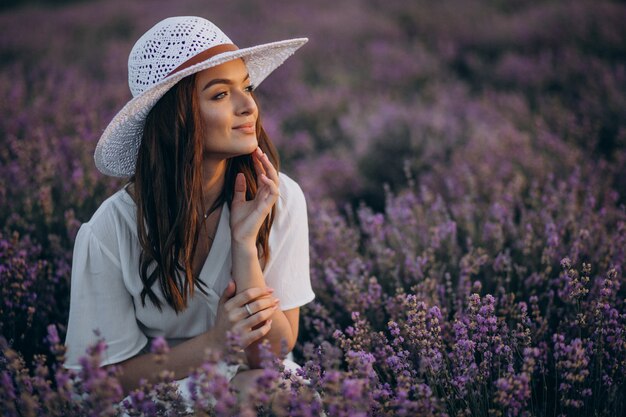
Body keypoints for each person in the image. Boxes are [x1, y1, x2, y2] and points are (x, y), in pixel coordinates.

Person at [63, 16, 315, 401]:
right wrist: (215, 344)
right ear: (176, 117)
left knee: (283, 391)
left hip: (257, 379)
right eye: (220, 94)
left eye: (246, 88)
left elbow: (272, 355)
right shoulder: (112, 229)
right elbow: (102, 382)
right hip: (162, 395)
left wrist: (245, 246)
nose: (249, 105)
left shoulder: (280, 199)